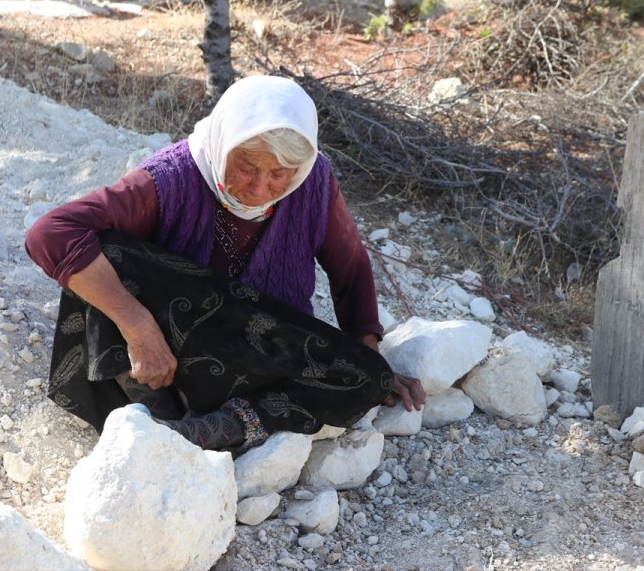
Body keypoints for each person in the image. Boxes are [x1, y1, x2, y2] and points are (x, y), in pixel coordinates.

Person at [25, 75, 425, 451]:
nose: (260, 188)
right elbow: (51, 233)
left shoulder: (314, 181)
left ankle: (206, 432)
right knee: (105, 252)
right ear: (223, 143)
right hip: (168, 350)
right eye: (246, 166)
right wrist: (137, 325)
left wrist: (367, 355)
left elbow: (349, 266)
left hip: (261, 346)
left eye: (279, 174)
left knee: (369, 377)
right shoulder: (171, 178)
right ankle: (154, 410)